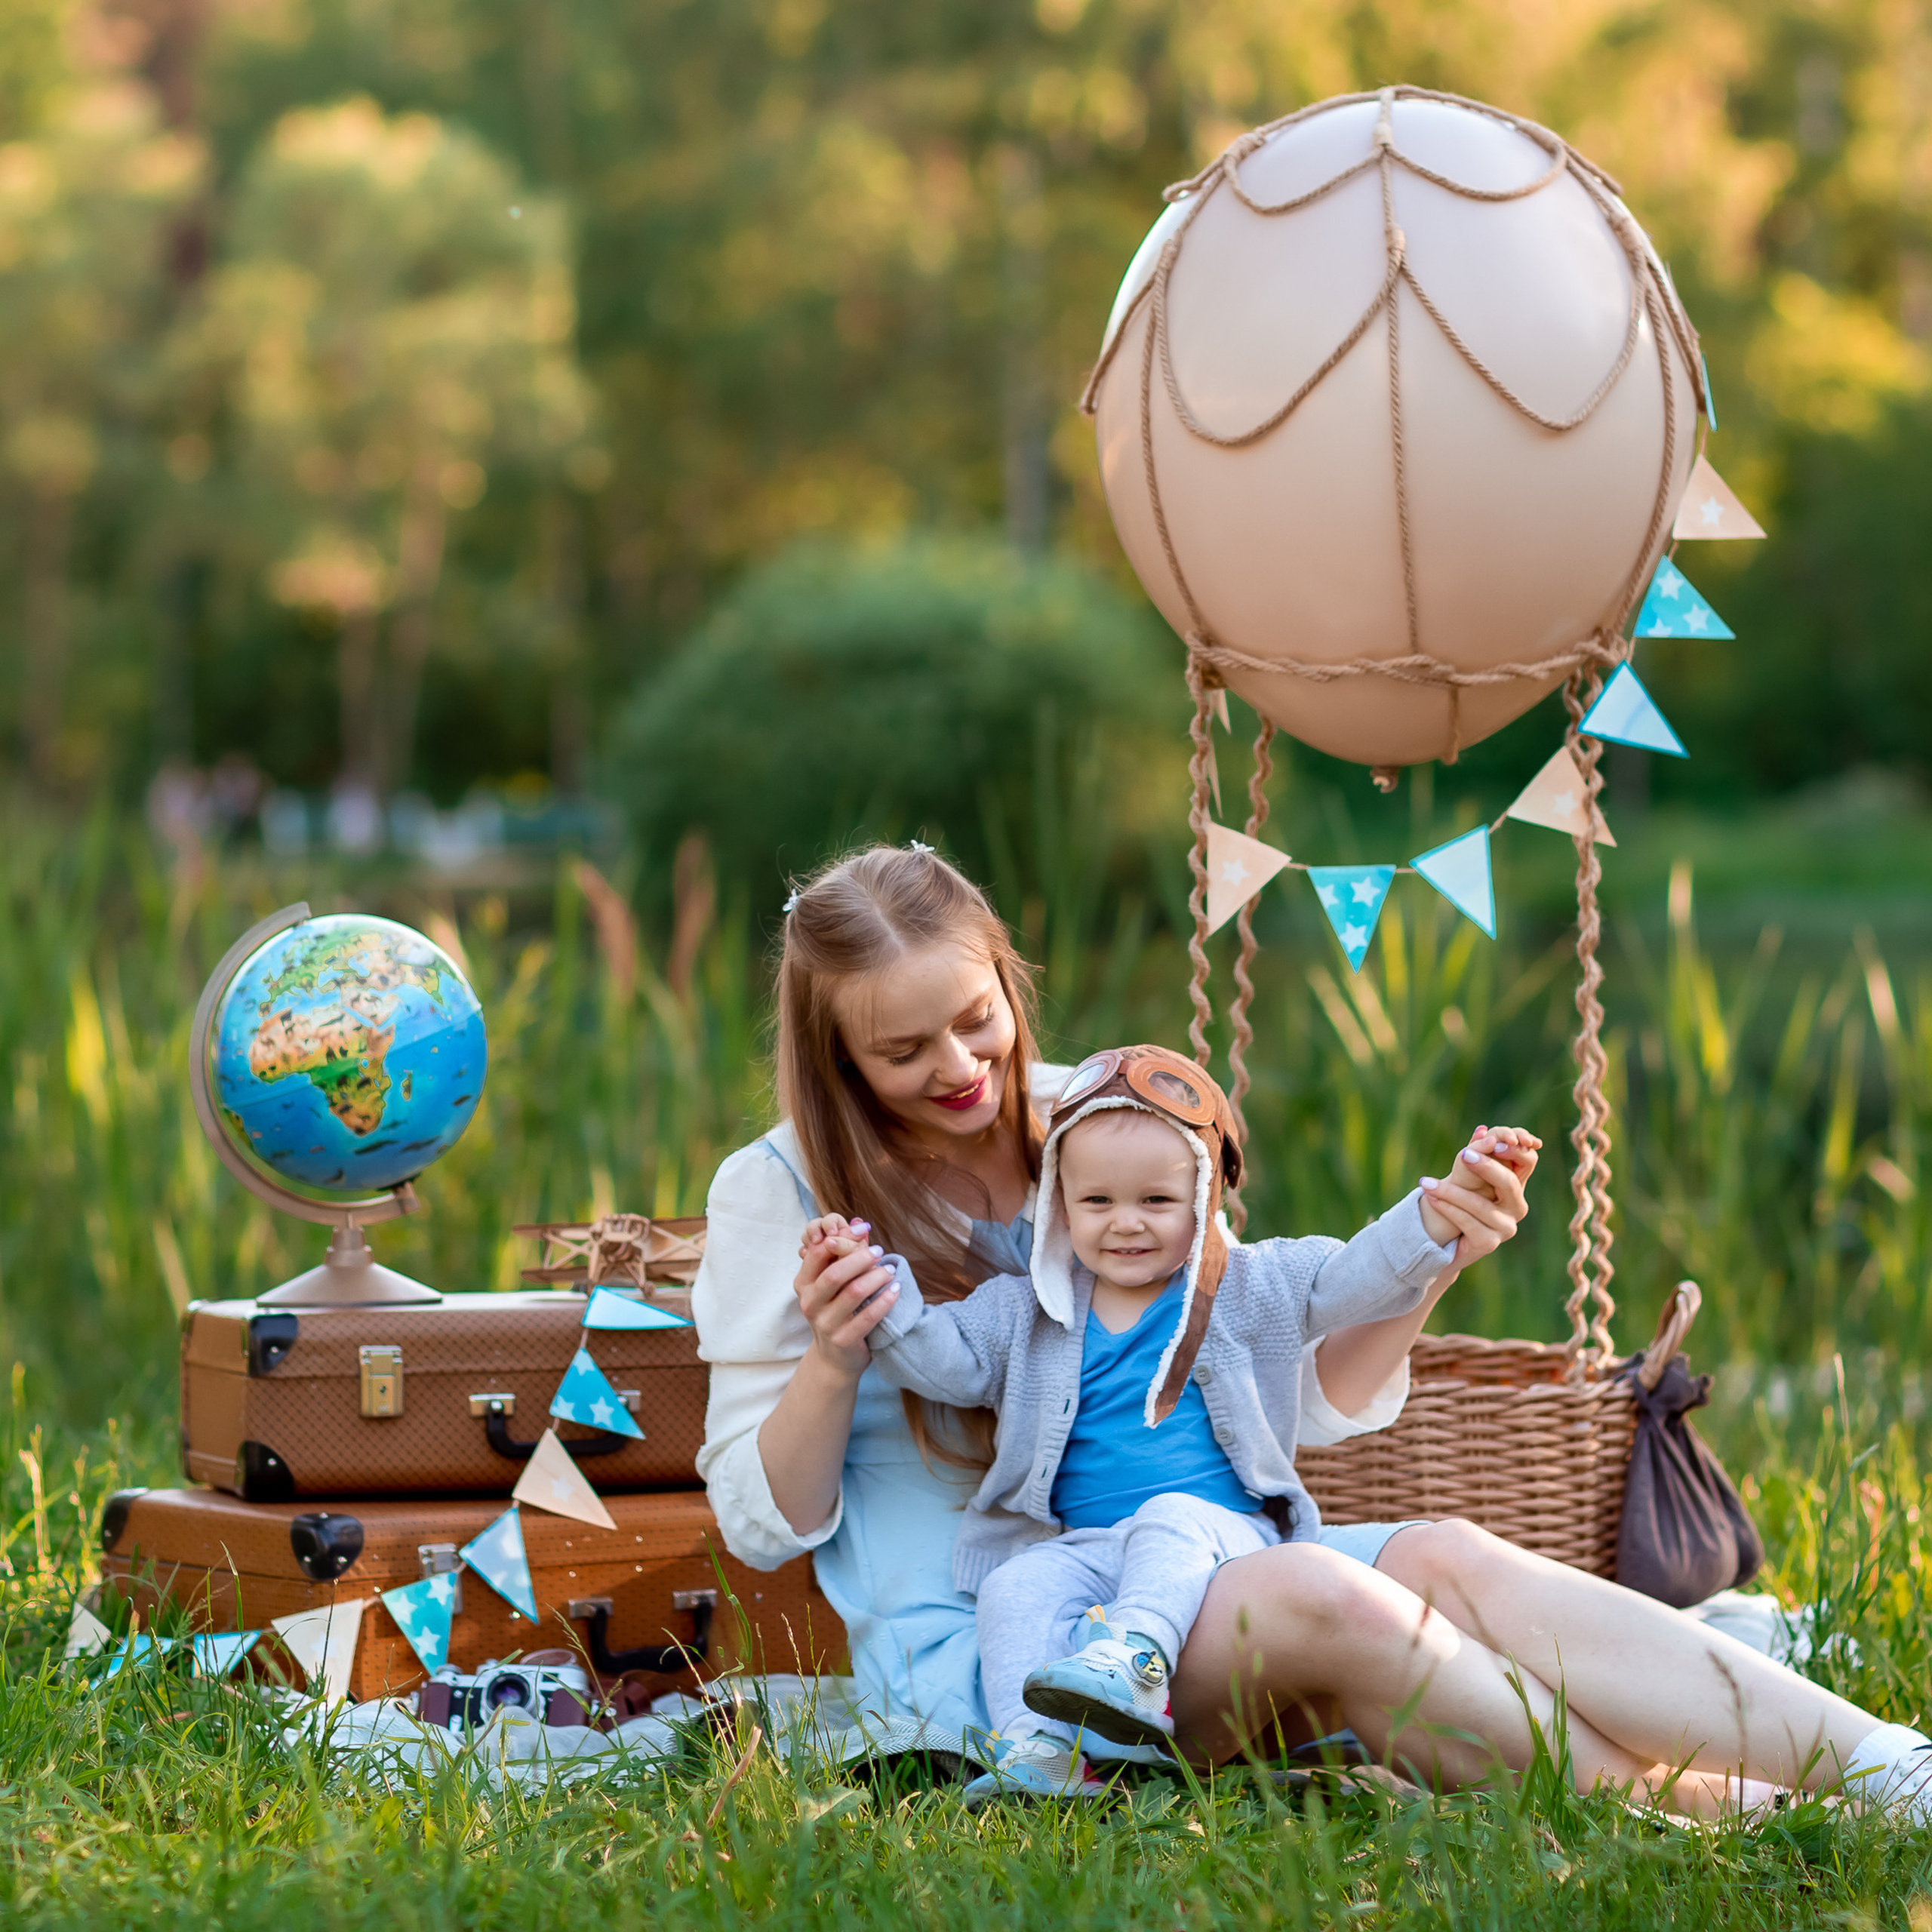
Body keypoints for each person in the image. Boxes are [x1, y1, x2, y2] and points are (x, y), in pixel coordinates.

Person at [693, 842, 1932, 1820]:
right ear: (836, 1056)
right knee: (1320, 1590)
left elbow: (1269, 1399)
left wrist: (1433, 1262)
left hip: (1187, 1565)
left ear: (1007, 980)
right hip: (1011, 1653)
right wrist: (836, 1356)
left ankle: (1890, 1766)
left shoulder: (1102, 1119)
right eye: (903, 1050)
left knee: (1442, 1553)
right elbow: (762, 1522)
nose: (962, 1066)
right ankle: (1735, 1811)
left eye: (977, 1018)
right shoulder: (782, 1193)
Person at [809, 1043, 1525, 1802]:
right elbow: (944, 1360)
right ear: (1060, 1204)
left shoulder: (1251, 1284)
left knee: (1170, 1515)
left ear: (1204, 1197)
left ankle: (1140, 1662)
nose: (1126, 1224)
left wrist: (1436, 1212)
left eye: (1156, 1201)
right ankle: (1035, 1750)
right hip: (1089, 1546)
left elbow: (1353, 1274)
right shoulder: (1026, 1311)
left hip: (1224, 1539)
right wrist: (875, 1290)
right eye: (1097, 1202)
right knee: (1014, 1582)